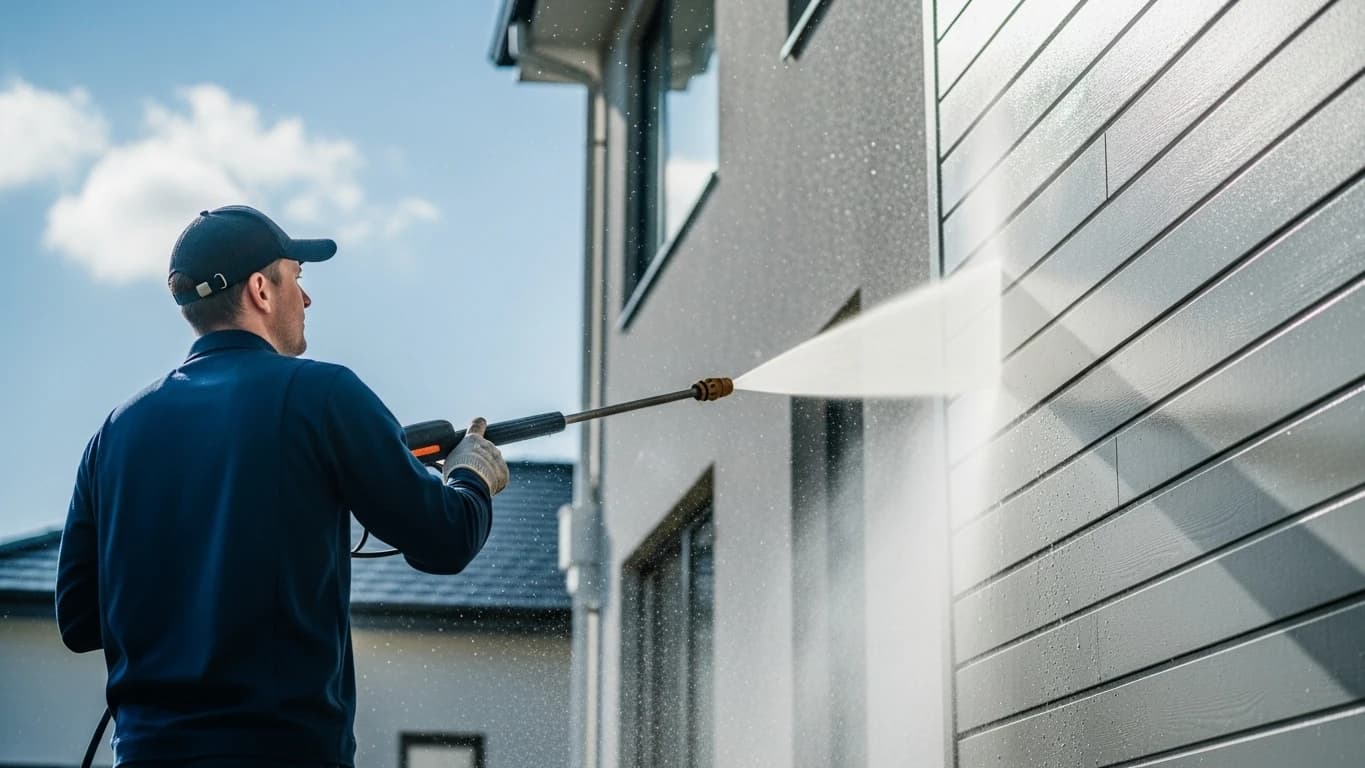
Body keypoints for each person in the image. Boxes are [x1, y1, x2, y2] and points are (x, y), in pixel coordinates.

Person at [55, 205, 509, 767]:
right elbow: (446, 538)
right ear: (260, 290)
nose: (307, 298)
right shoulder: (323, 395)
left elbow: (79, 620)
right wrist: (471, 474)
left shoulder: (114, 433)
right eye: (297, 276)